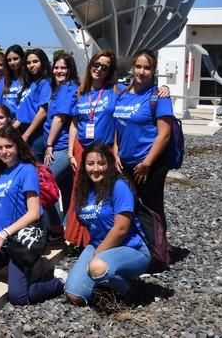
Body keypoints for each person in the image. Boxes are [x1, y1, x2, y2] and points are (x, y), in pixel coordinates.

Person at [0, 126, 66, 305]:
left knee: (18, 297)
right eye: (0, 148)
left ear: (18, 146)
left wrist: (5, 233)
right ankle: (8, 263)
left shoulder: (26, 170)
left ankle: (57, 282)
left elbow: (34, 213)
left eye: (9, 146)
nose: (4, 151)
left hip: (19, 240)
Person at [64, 144, 151, 305]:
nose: (96, 169)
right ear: (84, 166)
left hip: (131, 247)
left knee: (97, 267)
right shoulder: (83, 191)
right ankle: (106, 283)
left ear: (109, 164)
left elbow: (121, 229)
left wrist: (97, 254)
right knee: (75, 294)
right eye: (90, 164)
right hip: (99, 245)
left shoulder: (119, 186)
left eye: (101, 163)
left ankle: (130, 289)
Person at [114, 49, 173, 230]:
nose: (141, 71)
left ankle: (159, 251)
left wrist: (147, 163)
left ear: (153, 70)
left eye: (146, 68)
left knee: (151, 209)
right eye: (138, 66)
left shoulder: (158, 97)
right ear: (132, 68)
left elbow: (165, 134)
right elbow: (117, 126)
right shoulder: (122, 95)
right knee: (127, 207)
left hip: (148, 165)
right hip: (124, 164)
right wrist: (115, 153)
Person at [65, 50, 118, 247]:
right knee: (81, 192)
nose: (99, 69)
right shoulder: (81, 93)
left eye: (104, 67)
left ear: (109, 71)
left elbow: (137, 91)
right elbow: (74, 124)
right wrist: (70, 152)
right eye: (96, 64)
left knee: (103, 194)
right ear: (90, 66)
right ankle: (78, 239)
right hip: (82, 149)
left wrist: (162, 88)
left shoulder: (115, 91)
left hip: (105, 150)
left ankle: (103, 238)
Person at [43, 53, 79, 213]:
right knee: (66, 189)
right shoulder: (59, 89)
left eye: (63, 67)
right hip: (58, 145)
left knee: (44, 182)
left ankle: (54, 226)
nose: (59, 71)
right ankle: (66, 227)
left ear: (70, 69)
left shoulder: (68, 88)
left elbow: (60, 118)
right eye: (56, 67)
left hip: (61, 146)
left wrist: (49, 144)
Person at [16, 48, 52, 156]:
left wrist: (26, 135)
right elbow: (22, 115)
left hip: (37, 133)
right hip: (24, 130)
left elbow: (43, 111)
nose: (31, 65)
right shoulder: (30, 84)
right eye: (28, 63)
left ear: (43, 62)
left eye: (35, 61)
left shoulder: (45, 83)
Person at [2, 44, 27, 118]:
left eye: (15, 59)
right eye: (9, 60)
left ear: (22, 59)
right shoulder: (5, 79)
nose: (12, 62)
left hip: (20, 122)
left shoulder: (27, 80)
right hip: (6, 121)